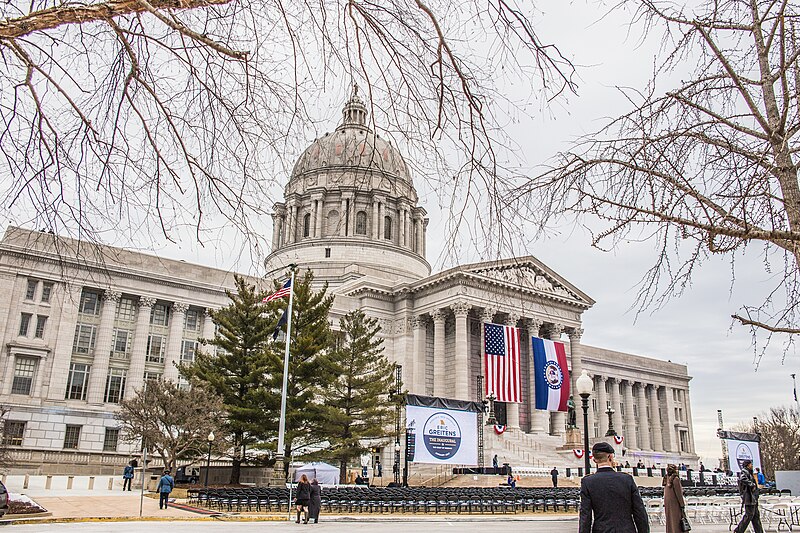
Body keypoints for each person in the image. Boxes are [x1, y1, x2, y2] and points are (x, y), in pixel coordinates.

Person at [579, 442, 650, 533]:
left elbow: (585, 516)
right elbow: (639, 512)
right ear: (610, 457)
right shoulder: (626, 479)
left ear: (594, 460)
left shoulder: (588, 482)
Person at [734, 460, 764, 533]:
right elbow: (743, 478)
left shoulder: (749, 472)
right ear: (747, 465)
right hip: (749, 498)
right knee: (749, 516)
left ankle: (759, 531)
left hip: (753, 498)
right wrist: (752, 484)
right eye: (751, 464)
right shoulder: (744, 471)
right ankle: (738, 530)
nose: (752, 465)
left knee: (755, 516)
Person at [662, 464, 686, 533]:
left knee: (670, 521)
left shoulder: (666, 479)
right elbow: (679, 494)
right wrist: (682, 504)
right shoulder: (675, 479)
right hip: (675, 504)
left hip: (668, 504)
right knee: (676, 521)